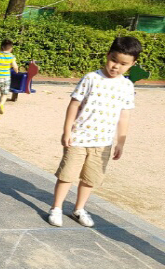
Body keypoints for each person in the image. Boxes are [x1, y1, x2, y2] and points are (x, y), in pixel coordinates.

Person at [48, 36, 142, 228]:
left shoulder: (127, 86)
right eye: (114, 60)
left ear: (133, 64)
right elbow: (74, 105)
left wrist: (121, 142)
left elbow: (124, 116)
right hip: (78, 138)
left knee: (90, 179)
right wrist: (67, 131)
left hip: (103, 142)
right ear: (107, 55)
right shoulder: (91, 78)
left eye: (123, 64)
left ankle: (79, 209)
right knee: (67, 175)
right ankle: (56, 208)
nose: (116, 66)